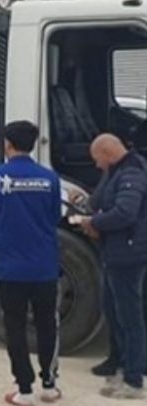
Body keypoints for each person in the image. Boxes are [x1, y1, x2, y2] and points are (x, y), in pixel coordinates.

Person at [0, 120, 63, 406]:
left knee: (14, 327)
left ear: (7, 144)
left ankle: (24, 390)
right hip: (45, 267)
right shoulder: (50, 178)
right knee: (47, 324)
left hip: (11, 267)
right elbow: (54, 216)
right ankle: (49, 385)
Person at [77, 134, 147, 400]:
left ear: (108, 152)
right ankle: (122, 366)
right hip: (115, 251)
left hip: (128, 254)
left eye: (97, 159)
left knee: (130, 317)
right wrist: (85, 204)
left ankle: (134, 380)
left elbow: (125, 212)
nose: (96, 165)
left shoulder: (132, 173)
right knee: (114, 310)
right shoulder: (116, 171)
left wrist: (94, 223)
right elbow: (100, 201)